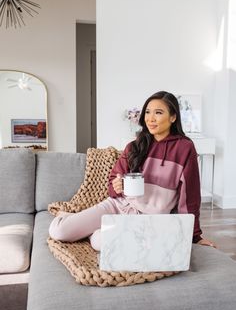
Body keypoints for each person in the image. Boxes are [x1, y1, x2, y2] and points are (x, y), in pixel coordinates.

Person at [49, 91, 216, 250]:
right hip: (118, 206)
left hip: (148, 220)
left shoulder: (184, 148)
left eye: (158, 113)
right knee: (59, 231)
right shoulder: (135, 146)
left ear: (173, 117)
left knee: (100, 241)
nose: (151, 118)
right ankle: (73, 220)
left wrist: (195, 236)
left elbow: (190, 195)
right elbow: (114, 180)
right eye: (148, 112)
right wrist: (117, 185)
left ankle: (89, 231)